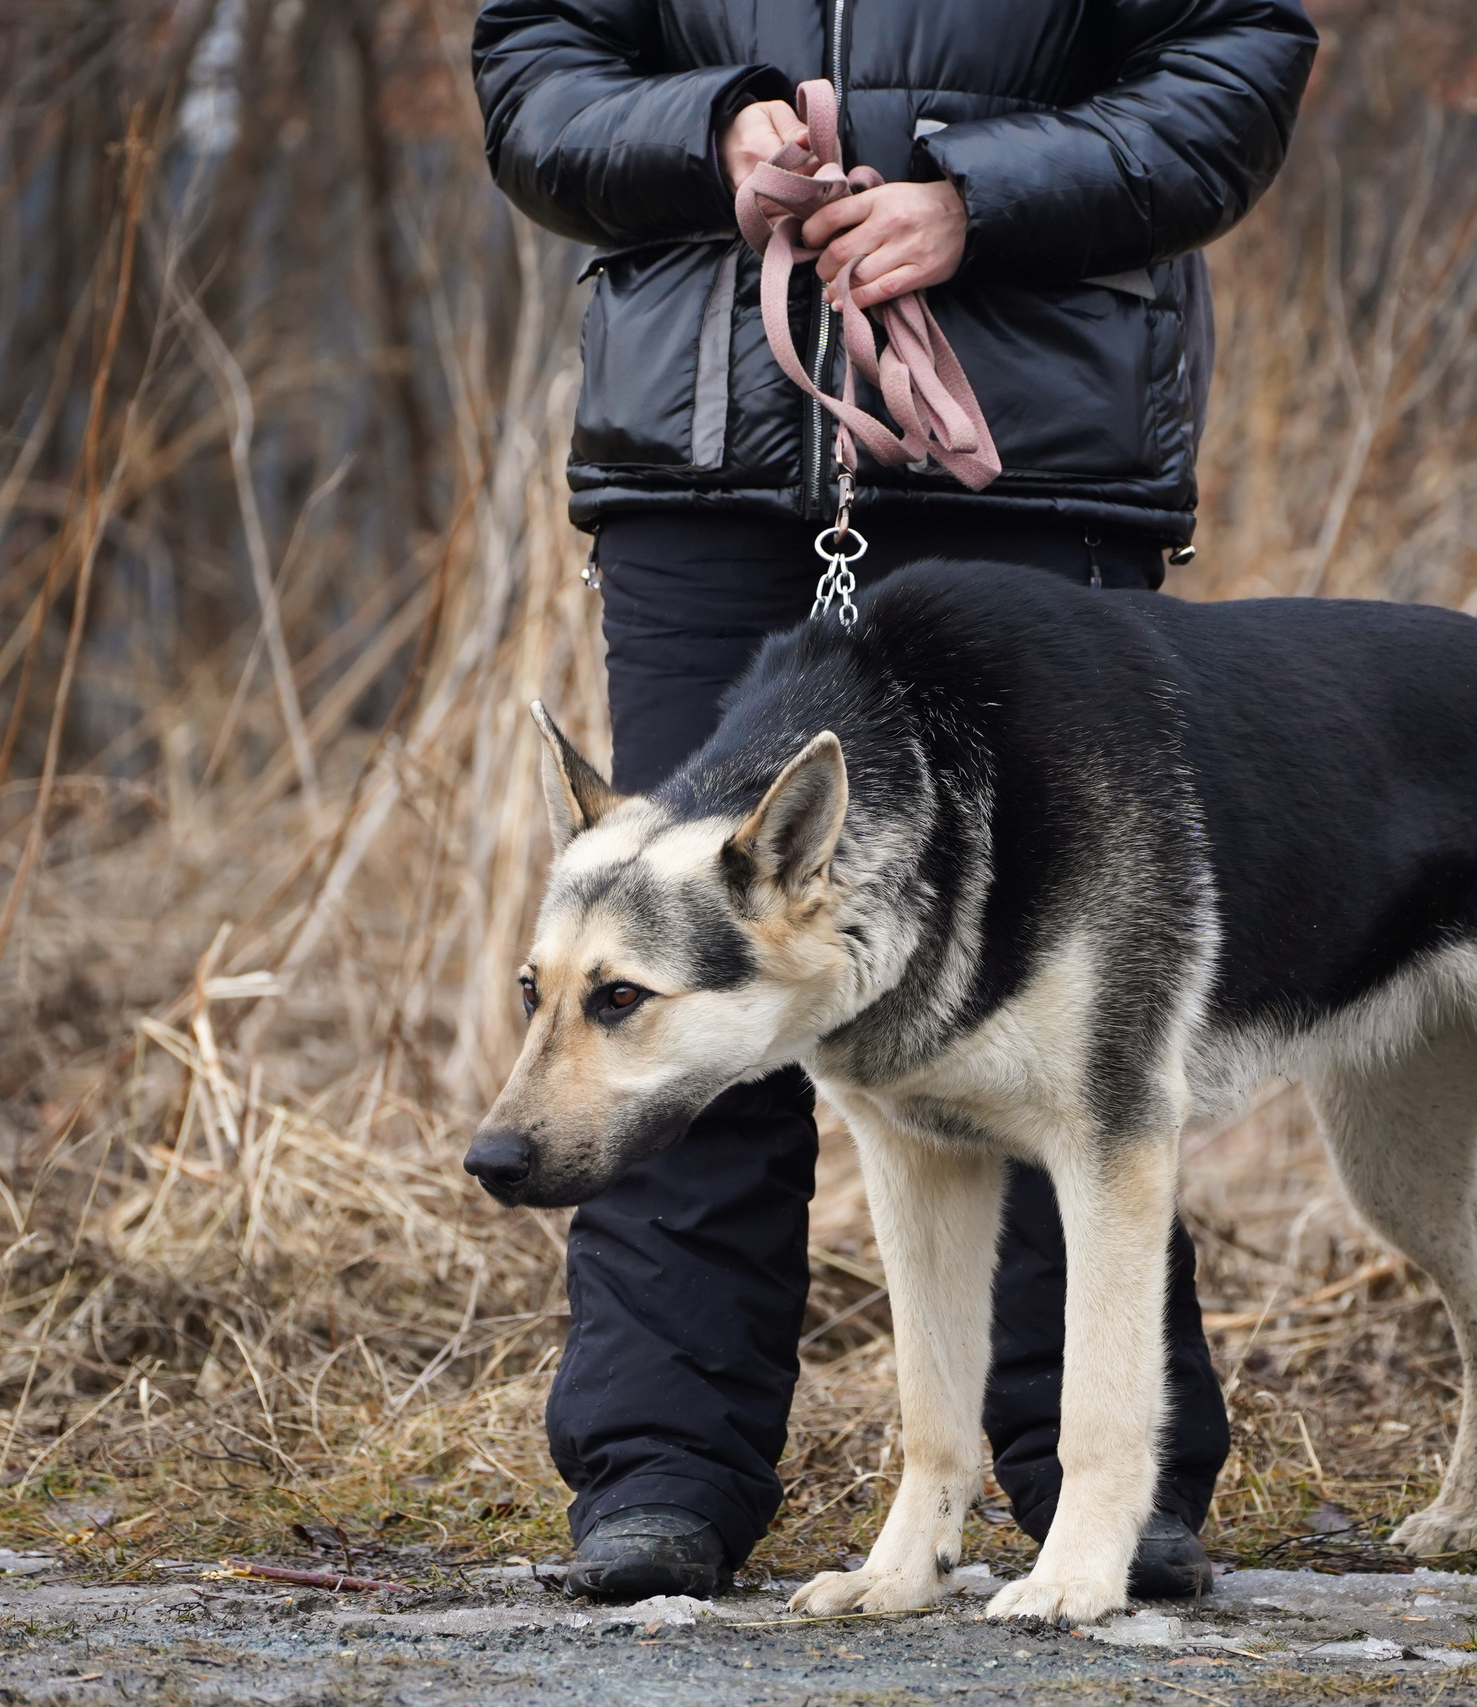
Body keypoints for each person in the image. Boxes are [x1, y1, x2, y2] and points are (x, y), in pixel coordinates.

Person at [470, 0, 1316, 1603]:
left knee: (1077, 1028)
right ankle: (661, 1468)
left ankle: (1097, 1486)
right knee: (677, 985)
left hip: (1032, 457)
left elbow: (1233, 68)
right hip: (699, 462)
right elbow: (533, 73)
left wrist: (976, 197)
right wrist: (709, 132)